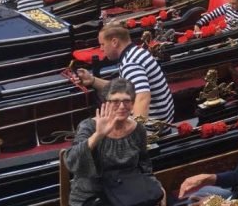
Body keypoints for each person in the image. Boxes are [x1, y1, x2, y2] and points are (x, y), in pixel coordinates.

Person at [64, 78, 166, 206]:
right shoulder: (88, 126)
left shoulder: (138, 129)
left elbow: (145, 166)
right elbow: (71, 161)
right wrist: (98, 135)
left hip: (127, 192)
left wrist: (156, 186)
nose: (122, 106)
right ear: (105, 103)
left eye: (126, 101)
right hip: (93, 195)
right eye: (115, 101)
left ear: (133, 103)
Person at [75, 23, 175, 125]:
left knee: (90, 126)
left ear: (114, 42)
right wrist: (92, 80)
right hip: (161, 120)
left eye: (102, 44)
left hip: (153, 126)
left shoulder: (130, 63)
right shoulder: (136, 52)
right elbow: (120, 88)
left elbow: (143, 98)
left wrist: (135, 134)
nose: (101, 49)